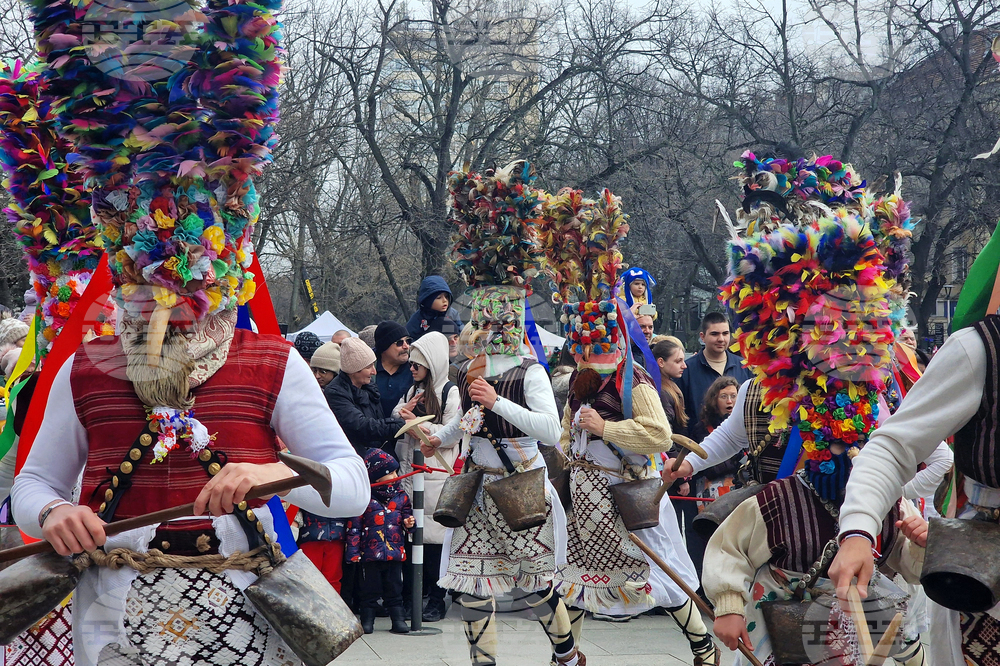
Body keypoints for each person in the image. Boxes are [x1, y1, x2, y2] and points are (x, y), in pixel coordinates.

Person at [541, 186, 719, 664]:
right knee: (573, 578)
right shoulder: (580, 380)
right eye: (580, 348)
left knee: (658, 575)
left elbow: (659, 436)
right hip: (583, 497)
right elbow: (566, 430)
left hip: (626, 495)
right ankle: (565, 655)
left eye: (591, 347)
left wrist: (606, 431)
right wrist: (567, 457)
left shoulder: (633, 377)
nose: (584, 355)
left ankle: (702, 647)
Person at [434, 162, 583, 666]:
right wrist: (443, 432)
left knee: (535, 587)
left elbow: (548, 432)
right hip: (478, 489)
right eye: (482, 312)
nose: (488, 321)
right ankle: (485, 663)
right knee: (472, 589)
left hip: (523, 483)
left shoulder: (530, 372)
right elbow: (458, 431)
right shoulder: (464, 371)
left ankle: (564, 652)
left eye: (499, 313)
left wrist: (498, 403)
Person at [392, 331, 461, 622]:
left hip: (436, 476)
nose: (411, 368)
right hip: (411, 475)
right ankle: (413, 598)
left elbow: (453, 432)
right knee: (412, 540)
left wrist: (421, 427)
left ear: (431, 363)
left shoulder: (450, 392)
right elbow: (398, 411)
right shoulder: (412, 390)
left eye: (416, 364)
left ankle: (436, 599)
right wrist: (403, 414)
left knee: (435, 544)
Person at [348, 448, 415, 635]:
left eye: (395, 471)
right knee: (369, 589)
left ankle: (398, 619)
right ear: (376, 477)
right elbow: (354, 527)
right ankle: (367, 620)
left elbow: (407, 518)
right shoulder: (364, 498)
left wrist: (409, 523)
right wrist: (352, 553)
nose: (396, 475)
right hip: (369, 554)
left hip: (394, 552)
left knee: (395, 588)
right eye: (390, 473)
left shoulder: (401, 496)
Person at [325, 337, 406, 457]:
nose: (374, 372)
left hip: (379, 455)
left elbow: (378, 420)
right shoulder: (335, 393)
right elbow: (362, 426)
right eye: (369, 367)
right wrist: (401, 425)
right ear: (354, 370)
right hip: (357, 459)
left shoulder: (368, 386)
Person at [374, 321, 414, 420]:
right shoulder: (368, 370)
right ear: (384, 346)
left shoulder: (414, 369)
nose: (406, 346)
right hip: (373, 430)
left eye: (408, 341)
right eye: (399, 343)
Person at [405, 276, 464, 341]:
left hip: (451, 347)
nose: (444, 300)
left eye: (447, 297)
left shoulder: (452, 314)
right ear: (428, 301)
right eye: (439, 298)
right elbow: (409, 338)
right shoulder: (419, 317)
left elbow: (461, 332)